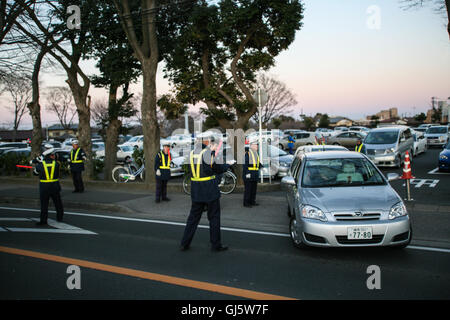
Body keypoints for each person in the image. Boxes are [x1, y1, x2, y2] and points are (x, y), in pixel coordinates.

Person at [180, 134, 235, 252]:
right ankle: (216, 245)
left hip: (196, 190)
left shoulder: (191, 153)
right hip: (209, 190)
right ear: (207, 142)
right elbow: (216, 168)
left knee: (193, 219)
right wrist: (228, 165)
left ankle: (185, 243)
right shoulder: (207, 153)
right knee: (214, 218)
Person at [32, 148, 64, 225]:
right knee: (58, 203)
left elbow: (35, 173)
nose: (54, 156)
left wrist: (37, 166)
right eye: (52, 155)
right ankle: (60, 217)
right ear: (50, 156)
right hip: (55, 185)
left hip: (44, 186)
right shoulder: (57, 164)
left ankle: (43, 220)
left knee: (44, 204)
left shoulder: (40, 165)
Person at [243, 139, 262, 208]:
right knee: (248, 189)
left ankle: (252, 201)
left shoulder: (255, 153)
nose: (257, 146)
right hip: (249, 174)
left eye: (257, 145)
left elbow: (257, 163)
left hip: (254, 174)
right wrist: (247, 174)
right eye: (256, 145)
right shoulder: (248, 153)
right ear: (252, 146)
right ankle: (246, 203)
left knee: (253, 189)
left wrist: (261, 165)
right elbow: (245, 165)